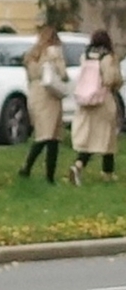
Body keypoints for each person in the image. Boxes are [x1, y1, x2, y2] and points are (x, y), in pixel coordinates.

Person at [72, 29, 122, 185]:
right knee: (107, 137)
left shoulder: (85, 56)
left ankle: (80, 165)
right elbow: (111, 79)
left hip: (86, 101)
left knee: (90, 137)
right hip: (103, 100)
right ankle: (105, 171)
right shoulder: (107, 58)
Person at [22, 25, 69, 182]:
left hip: (35, 94)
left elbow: (30, 77)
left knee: (42, 133)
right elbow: (62, 73)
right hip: (50, 96)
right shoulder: (53, 52)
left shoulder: (32, 54)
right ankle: (47, 175)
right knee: (51, 137)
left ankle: (27, 168)